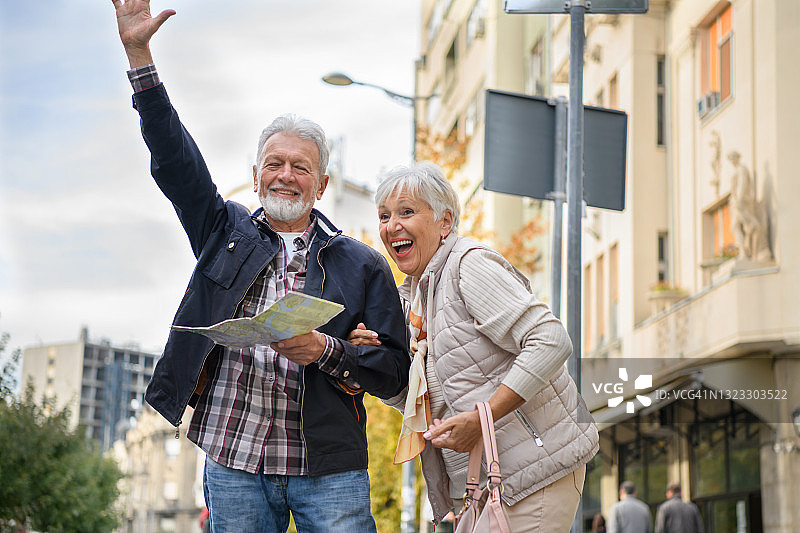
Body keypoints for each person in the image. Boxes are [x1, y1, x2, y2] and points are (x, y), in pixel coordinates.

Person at [111, 2, 411, 532]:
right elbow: (175, 161)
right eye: (275, 163)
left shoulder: (363, 263)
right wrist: (140, 56)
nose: (285, 175)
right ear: (255, 175)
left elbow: (394, 372)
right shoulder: (222, 231)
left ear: (321, 185)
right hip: (234, 458)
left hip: (329, 468)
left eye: (301, 167)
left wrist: (328, 350)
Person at [348, 162, 598, 532]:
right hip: (488, 483)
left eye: (407, 212)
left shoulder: (468, 265)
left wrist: (483, 419)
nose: (391, 226)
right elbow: (416, 401)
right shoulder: (415, 299)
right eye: (384, 216)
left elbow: (550, 340)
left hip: (537, 470)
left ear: (445, 222)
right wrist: (366, 360)